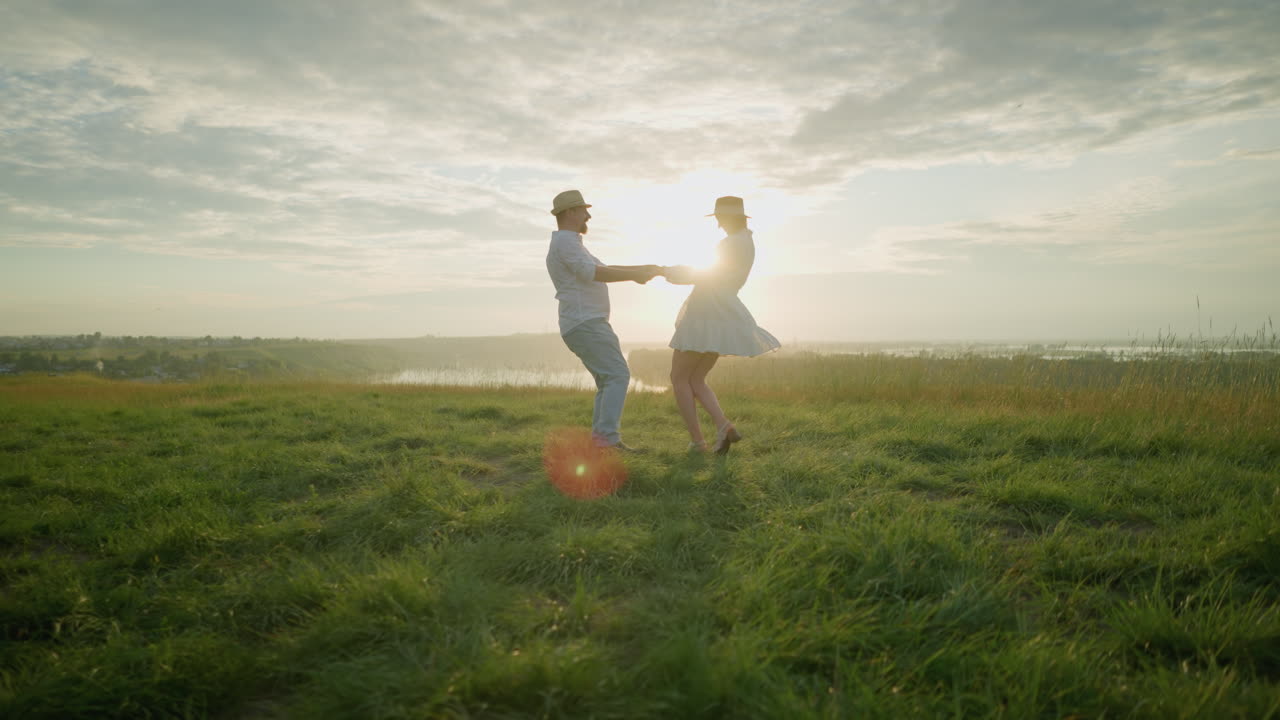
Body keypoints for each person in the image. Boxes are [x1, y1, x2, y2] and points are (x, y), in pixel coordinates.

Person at [661, 196, 780, 454]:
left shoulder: (729, 244)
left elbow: (705, 275)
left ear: (723, 218)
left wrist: (670, 273)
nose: (717, 221)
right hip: (724, 313)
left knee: (679, 377)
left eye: (718, 217)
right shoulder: (747, 242)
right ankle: (724, 426)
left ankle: (697, 442)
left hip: (704, 311)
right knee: (697, 378)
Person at [545, 189, 660, 451]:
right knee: (618, 375)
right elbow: (593, 273)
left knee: (608, 380)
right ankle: (607, 441)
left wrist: (640, 269)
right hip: (586, 322)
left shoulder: (571, 243)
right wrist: (634, 275)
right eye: (584, 210)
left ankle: (601, 440)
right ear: (571, 212)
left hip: (584, 322)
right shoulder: (565, 243)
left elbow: (602, 268)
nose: (588, 215)